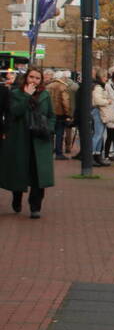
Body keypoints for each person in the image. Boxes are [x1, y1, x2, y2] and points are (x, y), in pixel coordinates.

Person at [0, 66, 56, 219]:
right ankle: (16, 197)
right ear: (26, 77)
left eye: (37, 78)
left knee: (39, 174)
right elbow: (14, 112)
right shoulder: (16, 93)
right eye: (32, 77)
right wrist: (26, 96)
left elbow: (51, 115)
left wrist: (49, 128)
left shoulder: (45, 94)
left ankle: (35, 207)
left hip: (40, 139)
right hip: (20, 138)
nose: (34, 81)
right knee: (19, 170)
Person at [46, 70, 74, 161]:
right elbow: (65, 101)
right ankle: (59, 153)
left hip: (49, 113)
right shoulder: (63, 87)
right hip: (60, 113)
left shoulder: (48, 86)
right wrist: (68, 114)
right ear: (62, 78)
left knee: (50, 133)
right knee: (59, 134)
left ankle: (49, 151)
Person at [90, 68, 111, 167]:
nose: (106, 79)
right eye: (105, 77)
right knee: (98, 134)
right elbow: (98, 101)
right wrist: (107, 101)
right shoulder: (98, 87)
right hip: (98, 111)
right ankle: (92, 155)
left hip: (99, 111)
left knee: (100, 134)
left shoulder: (99, 86)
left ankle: (97, 154)